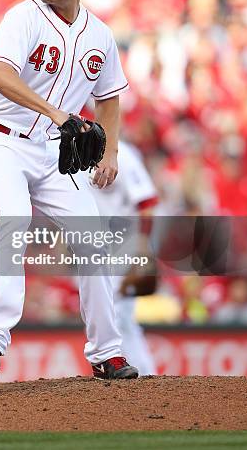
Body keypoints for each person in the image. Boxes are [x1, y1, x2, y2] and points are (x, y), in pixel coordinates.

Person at [0, 0, 138, 380]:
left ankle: (107, 351)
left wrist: (111, 152)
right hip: (0, 139)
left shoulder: (99, 34)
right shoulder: (23, 17)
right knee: (14, 219)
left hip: (52, 150)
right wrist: (56, 113)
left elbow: (110, 96)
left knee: (93, 240)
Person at [87, 138, 158, 375]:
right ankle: (132, 373)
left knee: (117, 316)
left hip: (124, 245)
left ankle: (141, 374)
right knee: (111, 316)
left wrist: (143, 249)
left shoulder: (124, 154)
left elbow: (146, 201)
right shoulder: (73, 151)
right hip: (95, 247)